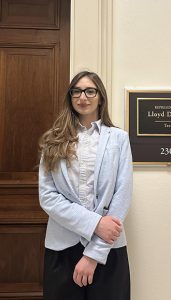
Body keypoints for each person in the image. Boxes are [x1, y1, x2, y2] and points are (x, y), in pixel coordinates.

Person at [38, 70, 133, 300]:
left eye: (90, 91)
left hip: (108, 248)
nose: (83, 97)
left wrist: (93, 255)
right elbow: (48, 197)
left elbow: (122, 194)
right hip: (62, 248)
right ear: (70, 98)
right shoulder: (53, 139)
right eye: (77, 91)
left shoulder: (119, 138)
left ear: (100, 96)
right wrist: (96, 223)